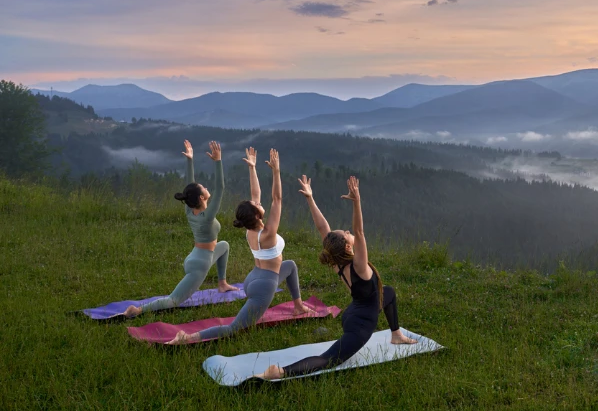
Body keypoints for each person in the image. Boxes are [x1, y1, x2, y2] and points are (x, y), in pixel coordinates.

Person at [256, 175, 416, 380]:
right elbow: (359, 231)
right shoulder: (359, 265)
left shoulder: (337, 261)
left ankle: (396, 335)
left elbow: (324, 229)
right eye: (346, 234)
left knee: (389, 292)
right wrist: (357, 201)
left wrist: (310, 199)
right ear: (349, 246)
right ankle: (280, 371)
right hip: (361, 325)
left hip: (353, 313)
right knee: (328, 359)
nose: (349, 232)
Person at [167, 148, 314, 344]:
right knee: (233, 328)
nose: (259, 203)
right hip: (264, 286)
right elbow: (277, 199)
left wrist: (252, 168)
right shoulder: (268, 233)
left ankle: (299, 306)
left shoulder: (250, 229)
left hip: (253, 278)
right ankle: (188, 338)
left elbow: (256, 194)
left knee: (291, 265)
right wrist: (276, 171)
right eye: (257, 206)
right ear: (256, 215)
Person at [125, 140, 236, 318]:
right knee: (174, 300)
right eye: (204, 188)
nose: (207, 188)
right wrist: (218, 161)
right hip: (200, 265)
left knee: (224, 245)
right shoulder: (207, 217)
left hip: (195, 257)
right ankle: (138, 310)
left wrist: (190, 160)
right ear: (202, 197)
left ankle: (222, 283)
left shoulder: (189, 209)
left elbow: (189, 187)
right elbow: (220, 188)